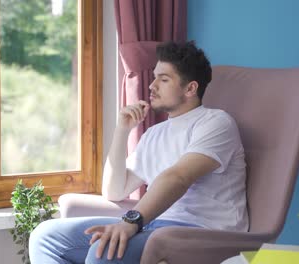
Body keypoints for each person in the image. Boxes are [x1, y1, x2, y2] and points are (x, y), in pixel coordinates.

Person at [29, 41, 249, 264]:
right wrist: (122, 130)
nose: (152, 85)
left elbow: (179, 177)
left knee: (104, 250)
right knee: (45, 237)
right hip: (153, 225)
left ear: (190, 88)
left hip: (201, 232)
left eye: (164, 79)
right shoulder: (154, 134)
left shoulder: (216, 123)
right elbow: (114, 191)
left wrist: (129, 222)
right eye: (155, 77)